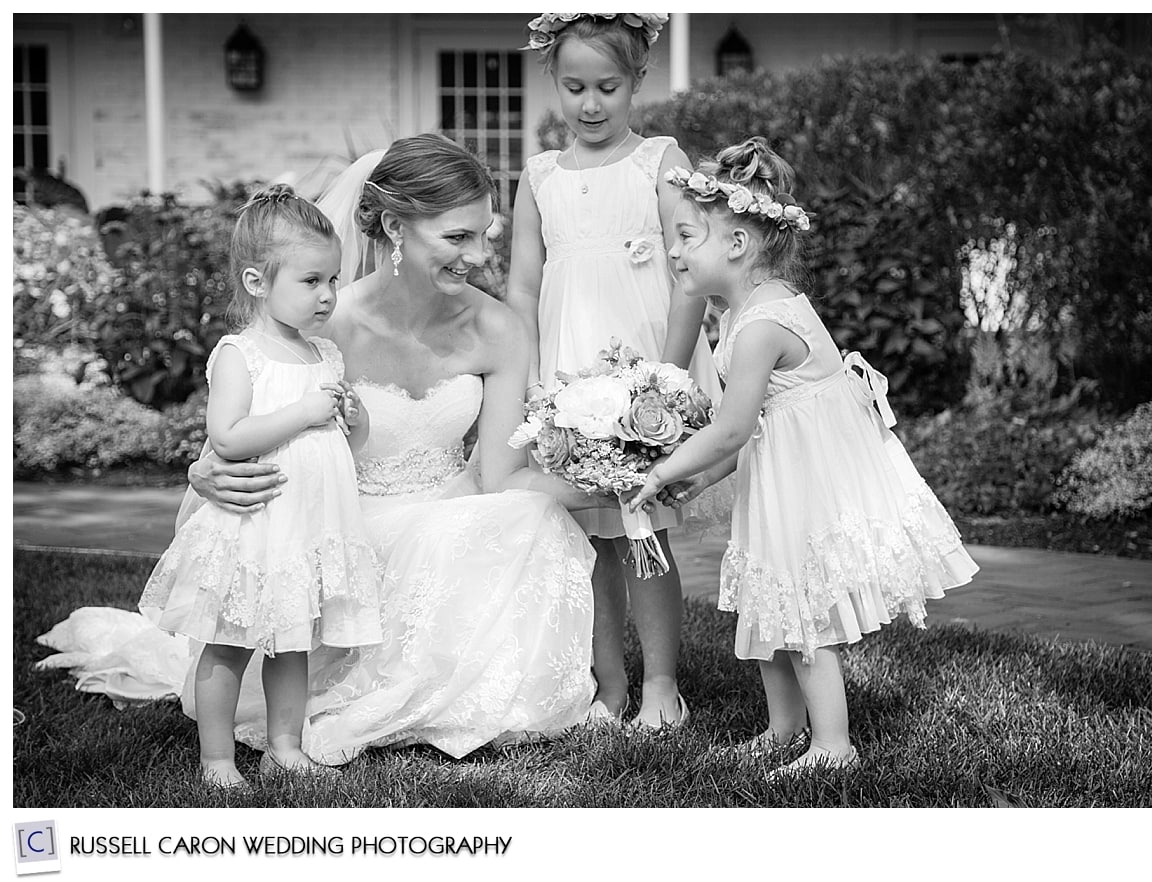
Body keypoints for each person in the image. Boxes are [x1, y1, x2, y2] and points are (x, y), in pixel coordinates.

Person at [53, 135, 613, 768]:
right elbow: (250, 408)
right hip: (339, 523)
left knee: (535, 520)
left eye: (485, 235)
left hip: (450, 508)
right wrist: (204, 468)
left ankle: (470, 693)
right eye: (458, 238)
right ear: (395, 227)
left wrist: (613, 484)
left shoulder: (497, 328)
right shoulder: (319, 319)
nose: (480, 257)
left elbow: (502, 475)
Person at [629, 137, 978, 773]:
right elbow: (745, 437)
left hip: (808, 485)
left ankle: (833, 744)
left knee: (804, 612)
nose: (672, 252)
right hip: (779, 475)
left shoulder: (762, 323)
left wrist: (661, 470)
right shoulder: (742, 310)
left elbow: (734, 429)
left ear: (735, 246)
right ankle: (784, 727)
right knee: (769, 606)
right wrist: (699, 479)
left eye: (683, 237)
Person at [507, 12, 719, 729]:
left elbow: (690, 274)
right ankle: (609, 684)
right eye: (574, 88)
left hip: (646, 369)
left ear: (637, 81)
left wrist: (671, 376)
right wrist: (531, 384)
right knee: (590, 536)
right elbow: (523, 286)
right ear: (553, 85)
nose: (590, 104)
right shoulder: (538, 177)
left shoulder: (659, 160)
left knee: (643, 527)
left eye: (607, 86)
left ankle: (661, 684)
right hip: (567, 376)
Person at [138, 184, 381, 789]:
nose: (328, 295)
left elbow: (345, 442)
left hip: (307, 528)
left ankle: (285, 745)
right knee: (228, 644)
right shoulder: (239, 355)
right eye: (311, 281)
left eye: (333, 280)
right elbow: (227, 436)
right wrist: (303, 412)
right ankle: (216, 759)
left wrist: (353, 417)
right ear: (256, 283)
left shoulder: (323, 352)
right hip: (255, 523)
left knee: (293, 643)